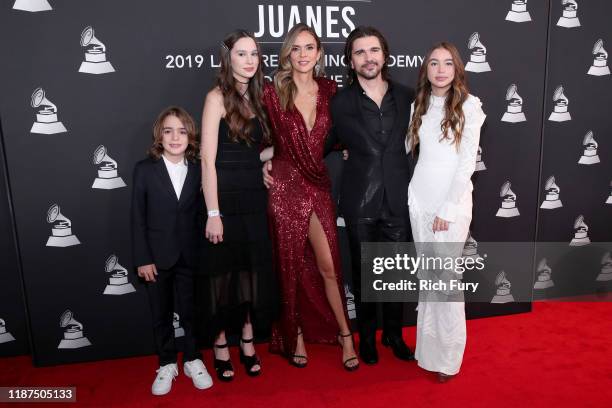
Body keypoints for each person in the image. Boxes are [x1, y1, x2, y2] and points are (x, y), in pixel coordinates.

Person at [261, 23, 359, 371]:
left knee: (329, 266)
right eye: (296, 48)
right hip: (285, 184)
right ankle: (295, 334)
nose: (302, 55)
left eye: (309, 48)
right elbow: (257, 138)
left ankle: (345, 334)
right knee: (289, 267)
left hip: (318, 183)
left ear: (319, 53)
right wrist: (264, 161)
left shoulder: (331, 90)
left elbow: (344, 130)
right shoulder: (272, 92)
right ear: (287, 53)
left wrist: (350, 146)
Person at [323, 26, 416, 365]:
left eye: (373, 50)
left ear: (385, 55)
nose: (368, 57)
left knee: (395, 273)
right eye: (360, 52)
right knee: (363, 276)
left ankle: (394, 333)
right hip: (359, 199)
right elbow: (320, 143)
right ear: (350, 60)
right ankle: (367, 338)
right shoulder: (339, 103)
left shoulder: (408, 96)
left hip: (399, 197)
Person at [407, 42, 486, 382]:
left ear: (457, 70)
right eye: (434, 64)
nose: (440, 70)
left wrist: (449, 207)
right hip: (419, 199)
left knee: (447, 280)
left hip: (449, 205)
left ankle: (449, 359)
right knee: (429, 279)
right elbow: (408, 148)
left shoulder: (470, 106)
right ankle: (427, 352)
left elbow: (467, 163)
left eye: (447, 64)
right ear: (426, 70)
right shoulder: (418, 104)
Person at [200, 29, 276, 381]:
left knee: (250, 271)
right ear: (228, 57)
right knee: (223, 275)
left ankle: (247, 340)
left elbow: (255, 150)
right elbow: (207, 160)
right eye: (242, 54)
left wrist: (275, 157)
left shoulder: (260, 98)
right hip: (225, 198)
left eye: (254, 55)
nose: (249, 61)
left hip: (253, 197)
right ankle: (219, 343)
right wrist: (213, 213)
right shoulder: (216, 97)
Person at [131, 106, 213, 396]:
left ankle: (192, 359)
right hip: (156, 258)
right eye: (168, 130)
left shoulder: (199, 170)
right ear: (159, 136)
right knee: (160, 314)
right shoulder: (144, 170)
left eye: (182, 130)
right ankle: (167, 362)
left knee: (192, 312)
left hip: (190, 255)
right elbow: (137, 218)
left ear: (191, 136)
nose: (175, 137)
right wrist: (143, 258)